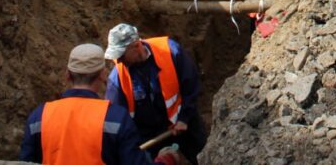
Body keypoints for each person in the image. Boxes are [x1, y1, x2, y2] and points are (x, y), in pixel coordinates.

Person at [19, 43, 182, 165]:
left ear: (67, 75)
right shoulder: (116, 118)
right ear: (103, 75)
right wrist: (166, 160)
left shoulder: (38, 117)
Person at [105, 24, 206, 164]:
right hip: (149, 136)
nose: (118, 60)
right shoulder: (118, 77)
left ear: (136, 45)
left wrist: (184, 118)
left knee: (203, 157)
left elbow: (191, 85)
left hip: (183, 122)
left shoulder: (170, 52)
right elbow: (115, 116)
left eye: (121, 55)